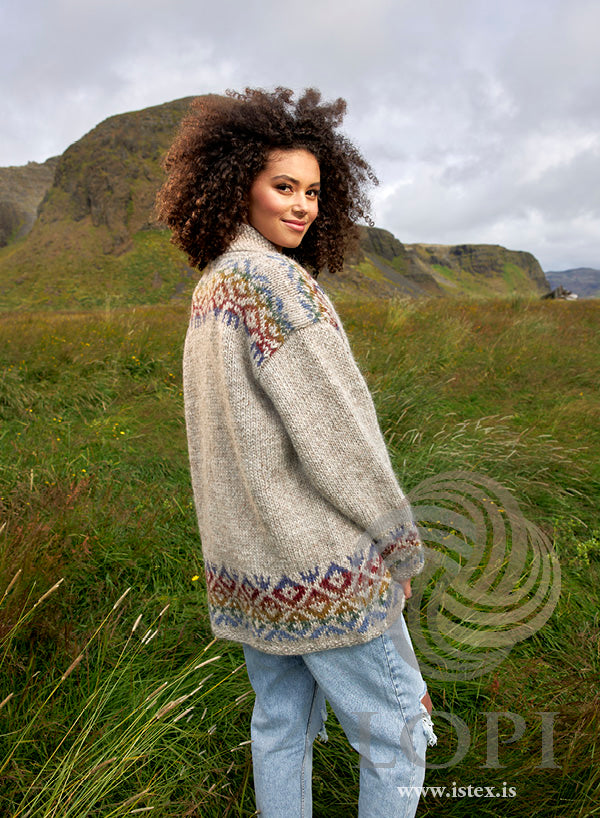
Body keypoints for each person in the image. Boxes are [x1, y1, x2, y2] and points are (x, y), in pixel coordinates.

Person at [156, 88, 436, 818]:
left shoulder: (214, 288)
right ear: (237, 185)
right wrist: (398, 545)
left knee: (281, 728)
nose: (303, 206)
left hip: (251, 570)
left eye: (313, 191)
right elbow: (338, 439)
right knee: (399, 734)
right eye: (284, 187)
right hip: (323, 567)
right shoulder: (277, 286)